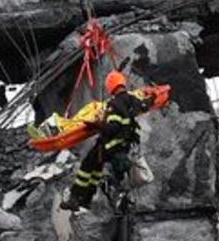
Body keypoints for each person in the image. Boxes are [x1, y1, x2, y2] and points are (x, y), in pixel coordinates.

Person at [62, 70, 154, 211]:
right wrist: (151, 98)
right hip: (124, 145)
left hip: (111, 146)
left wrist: (98, 125)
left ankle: (76, 198)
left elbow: (113, 127)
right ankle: (86, 200)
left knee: (87, 166)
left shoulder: (114, 104)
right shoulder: (133, 99)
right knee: (96, 168)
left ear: (110, 86)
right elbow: (143, 106)